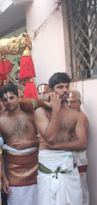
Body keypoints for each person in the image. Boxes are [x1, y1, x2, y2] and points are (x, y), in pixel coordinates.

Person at [34, 72, 87, 205]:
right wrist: (56, 110)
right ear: (51, 90)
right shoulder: (40, 112)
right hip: (48, 162)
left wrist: (56, 146)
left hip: (68, 163)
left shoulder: (76, 115)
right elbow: (51, 137)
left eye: (67, 87)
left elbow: (82, 144)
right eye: (60, 87)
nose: (65, 90)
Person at [0, 83, 39, 205]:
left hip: (35, 169)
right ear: (1, 102)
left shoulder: (32, 114)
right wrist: (4, 178)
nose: (8, 102)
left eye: (11, 98)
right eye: (5, 99)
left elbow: (45, 140)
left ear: (18, 97)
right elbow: (0, 152)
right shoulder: (0, 121)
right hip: (13, 173)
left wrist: (29, 143)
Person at [68, 90, 89, 205]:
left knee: (81, 189)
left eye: (73, 102)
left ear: (79, 103)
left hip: (79, 158)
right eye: (67, 101)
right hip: (72, 157)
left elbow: (81, 143)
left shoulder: (81, 117)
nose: (69, 104)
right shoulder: (73, 116)